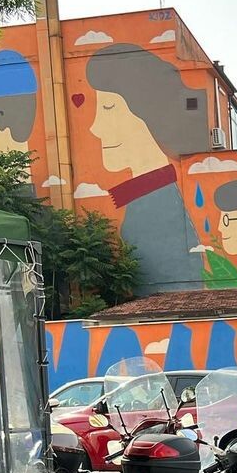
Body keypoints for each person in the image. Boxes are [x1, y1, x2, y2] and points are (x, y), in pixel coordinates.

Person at [86, 43, 205, 293]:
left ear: (148, 114)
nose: (95, 127)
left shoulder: (156, 207)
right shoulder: (150, 200)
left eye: (108, 108)